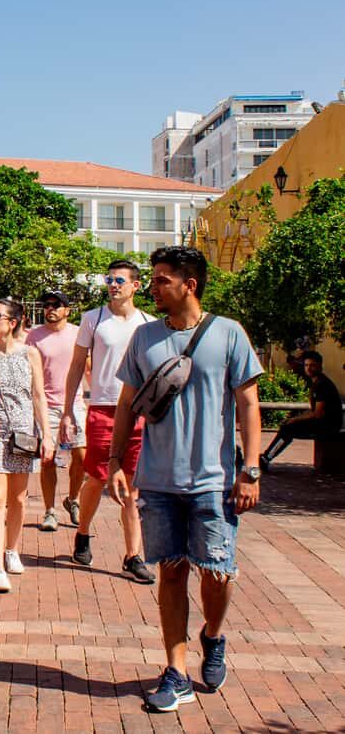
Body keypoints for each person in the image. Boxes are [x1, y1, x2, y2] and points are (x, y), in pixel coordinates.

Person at [109, 246, 263, 712]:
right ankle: (174, 671)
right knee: (171, 573)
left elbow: (248, 404)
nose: (152, 287)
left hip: (214, 481)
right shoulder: (145, 337)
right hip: (158, 481)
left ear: (188, 285)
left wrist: (250, 470)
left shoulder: (228, 334)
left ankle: (213, 635)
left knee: (217, 573)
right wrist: (119, 461)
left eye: (160, 280)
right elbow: (125, 404)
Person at [61, 260, 156, 584]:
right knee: (97, 478)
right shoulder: (93, 319)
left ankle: (133, 555)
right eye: (109, 280)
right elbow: (76, 365)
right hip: (102, 408)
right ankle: (83, 533)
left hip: (139, 411)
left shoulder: (149, 324)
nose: (113, 285)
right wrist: (68, 408)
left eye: (119, 280)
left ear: (136, 286)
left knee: (132, 486)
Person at [0, 297, 51, 593]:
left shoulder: (29, 354)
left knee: (20, 499)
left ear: (13, 323)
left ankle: (12, 549)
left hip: (23, 434)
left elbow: (38, 396)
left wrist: (47, 434)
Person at [26, 291, 87, 532]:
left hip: (75, 404)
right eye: (47, 305)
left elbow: (88, 366)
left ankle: (73, 499)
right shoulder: (34, 336)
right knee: (48, 459)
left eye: (56, 305)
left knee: (82, 457)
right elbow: (29, 371)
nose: (50, 309)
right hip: (46, 406)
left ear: (67, 310)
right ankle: (50, 511)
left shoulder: (77, 333)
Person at [261, 351, 343, 469]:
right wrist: (294, 419)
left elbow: (318, 413)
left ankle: (266, 457)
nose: (309, 368)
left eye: (312, 365)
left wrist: (294, 420)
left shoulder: (322, 385)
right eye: (306, 365)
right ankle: (267, 456)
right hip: (324, 422)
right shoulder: (316, 382)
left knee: (288, 429)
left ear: (320, 366)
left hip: (329, 425)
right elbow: (314, 411)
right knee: (288, 427)